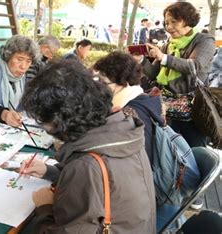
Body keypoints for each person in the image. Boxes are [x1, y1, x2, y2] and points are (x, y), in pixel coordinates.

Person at [19, 60, 156, 233]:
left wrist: (44, 208)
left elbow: (88, 173)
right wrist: (48, 171)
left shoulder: (86, 165)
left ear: (60, 120)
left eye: (43, 122)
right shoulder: (121, 133)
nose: (45, 128)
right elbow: (100, 181)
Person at [93, 52, 201, 231]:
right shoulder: (146, 100)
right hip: (166, 186)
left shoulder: (128, 114)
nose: (98, 87)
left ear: (123, 83)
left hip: (150, 197)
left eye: (103, 83)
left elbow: (123, 170)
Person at [143, 2, 216, 148]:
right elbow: (153, 73)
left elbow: (194, 66)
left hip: (193, 109)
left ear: (187, 20)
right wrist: (140, 60)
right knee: (170, 149)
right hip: (167, 107)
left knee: (195, 149)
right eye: (166, 23)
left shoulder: (204, 40)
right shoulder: (169, 43)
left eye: (174, 22)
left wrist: (163, 57)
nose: (169, 27)